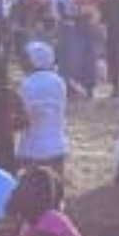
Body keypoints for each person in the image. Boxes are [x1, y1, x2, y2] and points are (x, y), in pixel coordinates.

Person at [15, 39, 71, 174]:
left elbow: (25, 119)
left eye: (25, 59)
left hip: (33, 149)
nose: (21, 63)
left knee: (34, 190)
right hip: (58, 146)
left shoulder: (27, 84)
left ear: (35, 60)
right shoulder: (59, 81)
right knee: (56, 189)